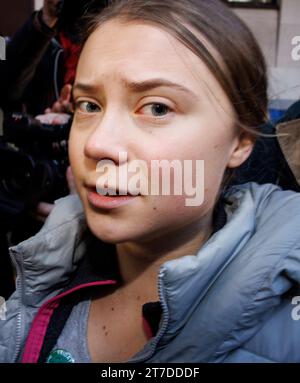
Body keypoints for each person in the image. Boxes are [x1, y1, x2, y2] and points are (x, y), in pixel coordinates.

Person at [1, 0, 300, 363]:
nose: (96, 144)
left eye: (157, 108)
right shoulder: (42, 275)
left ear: (240, 141)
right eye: (89, 105)